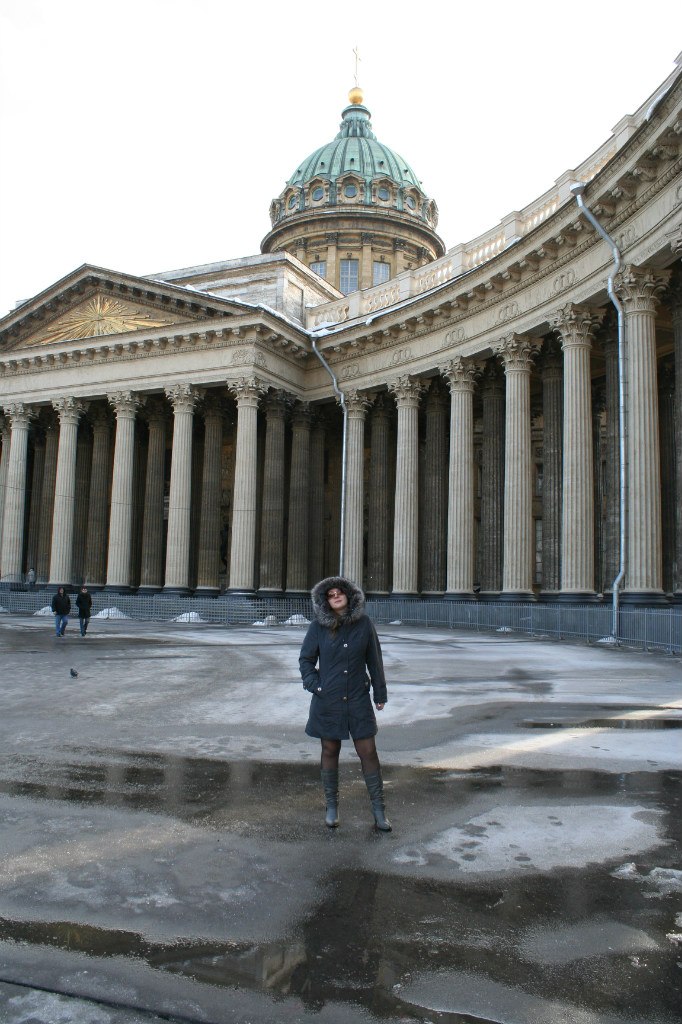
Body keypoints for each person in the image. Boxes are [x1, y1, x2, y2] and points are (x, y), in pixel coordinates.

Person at [299, 576, 391, 832]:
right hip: (328, 699)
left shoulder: (364, 624)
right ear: (325, 600)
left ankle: (379, 811)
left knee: (368, 751)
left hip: (358, 698)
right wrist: (316, 685)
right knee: (329, 750)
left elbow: (375, 659)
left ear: (349, 596)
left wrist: (379, 693)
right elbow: (306, 660)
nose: (336, 596)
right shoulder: (318, 627)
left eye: (340, 592)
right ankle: (331, 807)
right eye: (331, 594)